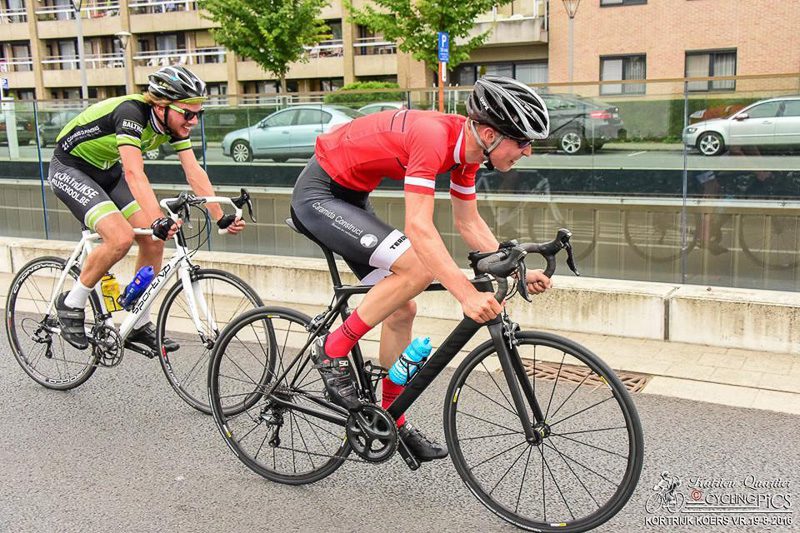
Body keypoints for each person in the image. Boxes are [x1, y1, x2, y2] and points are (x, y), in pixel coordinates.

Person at [290, 76, 553, 462]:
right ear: (489, 133)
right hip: (319, 195)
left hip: (352, 199)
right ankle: (332, 350)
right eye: (522, 141)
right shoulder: (433, 138)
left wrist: (515, 272)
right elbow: (419, 227)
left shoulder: (468, 156)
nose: (527, 151)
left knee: (402, 307)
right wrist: (465, 294)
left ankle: (390, 418)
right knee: (416, 269)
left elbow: (469, 223)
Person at [50, 65, 245, 354]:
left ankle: (138, 322)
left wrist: (220, 216)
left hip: (107, 172)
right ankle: (71, 302)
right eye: (188, 113)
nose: (193, 120)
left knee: (154, 240)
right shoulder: (132, 112)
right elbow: (134, 172)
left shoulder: (172, 124)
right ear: (162, 106)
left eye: (198, 114)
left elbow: (193, 170)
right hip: (71, 168)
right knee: (120, 238)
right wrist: (157, 218)